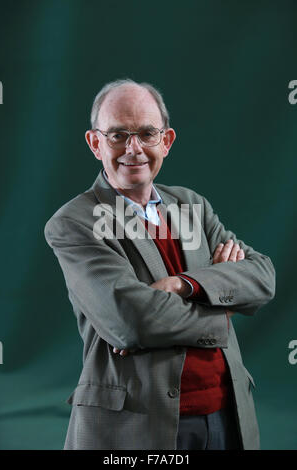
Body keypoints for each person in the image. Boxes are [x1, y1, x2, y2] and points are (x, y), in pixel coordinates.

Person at [44, 79, 275, 450]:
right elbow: (131, 321)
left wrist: (185, 285)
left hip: (228, 415)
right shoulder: (75, 221)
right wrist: (225, 308)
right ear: (95, 143)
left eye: (146, 134)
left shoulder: (190, 205)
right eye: (118, 134)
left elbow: (262, 277)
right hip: (137, 427)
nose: (133, 149)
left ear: (165, 141)